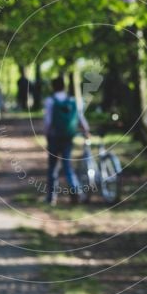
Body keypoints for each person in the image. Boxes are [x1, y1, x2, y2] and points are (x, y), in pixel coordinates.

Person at [43, 75, 90, 206]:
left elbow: (48, 120)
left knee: (52, 167)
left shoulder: (50, 101)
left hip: (54, 136)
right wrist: (86, 129)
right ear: (64, 86)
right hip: (68, 137)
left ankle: (51, 198)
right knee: (67, 166)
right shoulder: (72, 100)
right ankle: (75, 190)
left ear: (53, 87)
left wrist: (46, 133)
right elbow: (80, 116)